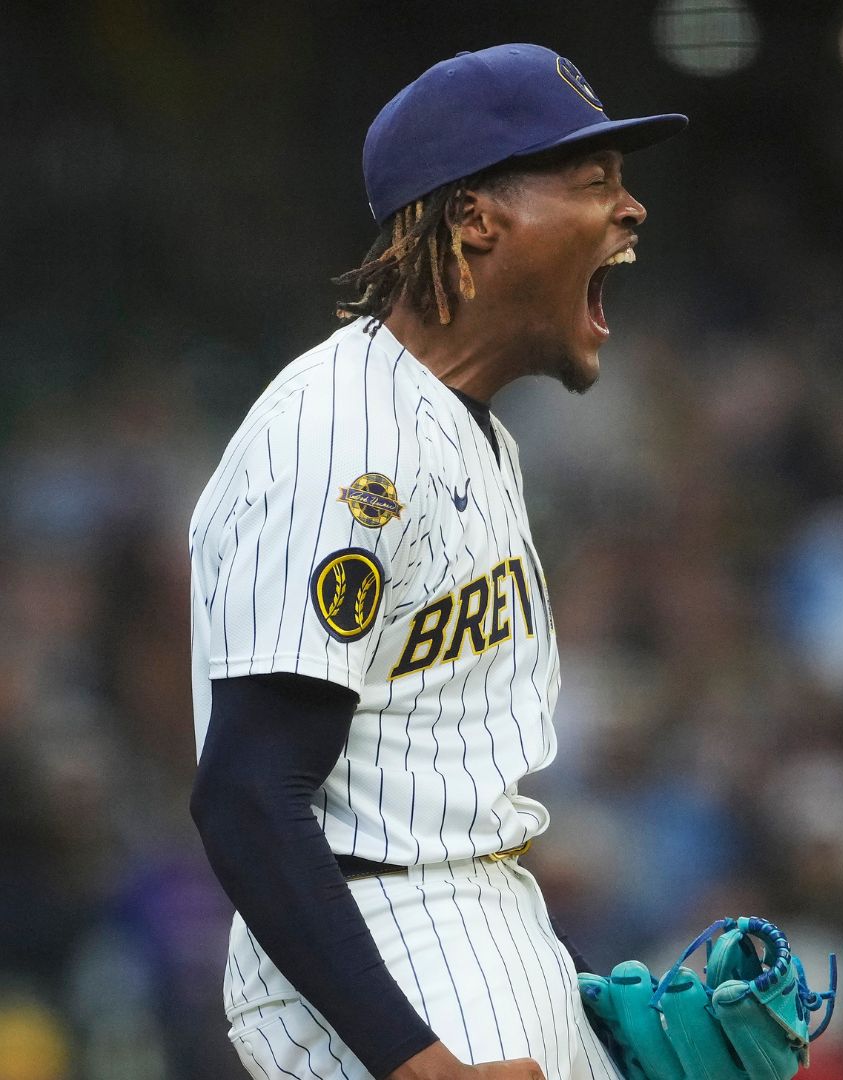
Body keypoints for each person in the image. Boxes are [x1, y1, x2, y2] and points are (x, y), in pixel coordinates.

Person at [187, 44, 685, 1080]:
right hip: (390, 942)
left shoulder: (465, 430)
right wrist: (417, 1063)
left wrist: (569, 989)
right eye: (595, 182)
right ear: (474, 217)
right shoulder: (344, 440)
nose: (630, 210)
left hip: (473, 918)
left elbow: (434, 780)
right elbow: (245, 790)